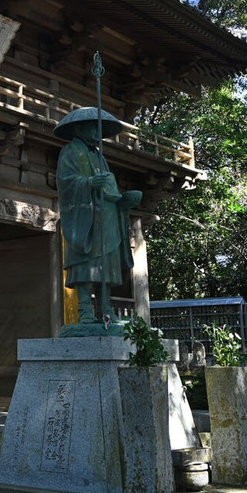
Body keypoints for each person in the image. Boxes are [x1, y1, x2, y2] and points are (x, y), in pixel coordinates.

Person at [54, 107, 142, 330]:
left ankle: (105, 309)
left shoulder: (100, 156)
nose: (97, 131)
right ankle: (84, 310)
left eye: (99, 128)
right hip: (86, 218)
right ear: (80, 128)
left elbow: (109, 190)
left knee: (106, 264)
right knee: (87, 263)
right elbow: (66, 181)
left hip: (107, 217)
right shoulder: (71, 151)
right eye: (93, 126)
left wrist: (123, 201)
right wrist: (88, 183)